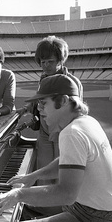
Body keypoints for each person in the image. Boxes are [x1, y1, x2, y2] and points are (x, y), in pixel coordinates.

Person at [0, 74, 112, 222]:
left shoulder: (71, 133)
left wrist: (18, 194)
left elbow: (66, 194)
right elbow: (65, 162)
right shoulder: (87, 121)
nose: (39, 109)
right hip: (92, 213)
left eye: (44, 103)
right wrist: (35, 175)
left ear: (64, 101)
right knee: (23, 218)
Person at [18, 35, 83, 184]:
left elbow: (78, 111)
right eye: (43, 62)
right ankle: (42, 206)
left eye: (50, 61)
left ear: (61, 60)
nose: (46, 66)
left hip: (63, 132)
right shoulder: (43, 79)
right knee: (43, 167)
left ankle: (60, 206)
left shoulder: (73, 83)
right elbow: (40, 101)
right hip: (45, 130)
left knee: (62, 171)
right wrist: (28, 107)